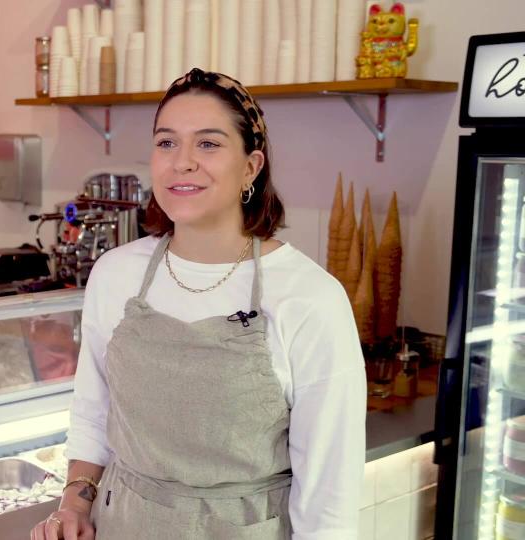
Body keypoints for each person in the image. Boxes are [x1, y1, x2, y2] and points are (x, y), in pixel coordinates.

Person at [30, 69, 366, 540]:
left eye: (208, 144)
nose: (182, 162)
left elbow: (330, 487)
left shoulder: (310, 297)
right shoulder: (115, 273)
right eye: (167, 143)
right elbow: (94, 406)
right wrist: (75, 502)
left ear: (251, 167)